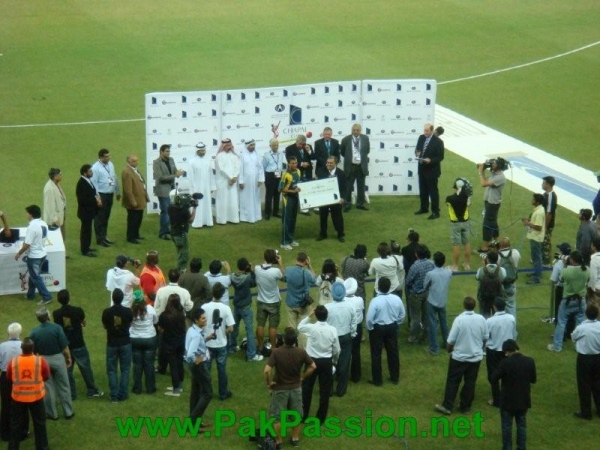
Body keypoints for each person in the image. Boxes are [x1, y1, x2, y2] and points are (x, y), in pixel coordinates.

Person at [435, 296, 488, 415]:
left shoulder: (459, 320)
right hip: (475, 358)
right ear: (475, 306)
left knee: (453, 381)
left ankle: (448, 406)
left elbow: (450, 341)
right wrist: (479, 348)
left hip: (459, 357)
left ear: (464, 305)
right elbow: (485, 338)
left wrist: (449, 350)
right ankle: (465, 406)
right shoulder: (481, 319)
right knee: (470, 382)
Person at [263, 327, 315, 448]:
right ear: (295, 340)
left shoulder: (276, 352)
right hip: (296, 388)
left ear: (284, 339)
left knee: (277, 417)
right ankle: (295, 439)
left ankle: (279, 441)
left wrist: (269, 383)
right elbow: (313, 366)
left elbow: (266, 371)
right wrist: (302, 377)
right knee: (296, 415)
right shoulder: (301, 352)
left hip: (280, 388)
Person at [52, 290, 103, 400]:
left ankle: (71, 394)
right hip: (78, 344)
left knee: (68, 370)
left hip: (65, 346)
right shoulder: (78, 310)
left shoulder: (56, 313)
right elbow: (84, 323)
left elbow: (58, 328)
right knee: (86, 368)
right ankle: (92, 390)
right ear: (69, 298)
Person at [490, 339, 536, 450]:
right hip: (523, 399)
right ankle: (521, 447)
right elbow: (533, 380)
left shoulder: (505, 363)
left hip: (507, 401)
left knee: (507, 427)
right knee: (521, 425)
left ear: (507, 351)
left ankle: (507, 448)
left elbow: (493, 379)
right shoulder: (529, 361)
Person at [29, 307, 73, 420]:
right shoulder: (57, 328)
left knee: (48, 388)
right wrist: (68, 358)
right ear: (48, 316)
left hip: (43, 360)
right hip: (58, 358)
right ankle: (68, 412)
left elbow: (33, 351)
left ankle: (52, 414)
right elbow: (64, 347)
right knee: (64, 385)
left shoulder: (34, 331)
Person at [298, 306, 340, 424]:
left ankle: (303, 415)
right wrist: (334, 361)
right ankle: (321, 418)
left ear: (316, 315)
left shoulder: (312, 328)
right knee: (324, 391)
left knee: (306, 389)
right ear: (327, 316)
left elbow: (300, 326)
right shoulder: (332, 330)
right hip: (326, 362)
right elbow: (337, 349)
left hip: (311, 361)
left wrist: (308, 316)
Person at [6, 338, 50, 450]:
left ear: (21, 349)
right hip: (36, 397)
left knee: (15, 425)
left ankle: (13, 447)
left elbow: (9, 377)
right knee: (40, 424)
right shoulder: (40, 361)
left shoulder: (13, 361)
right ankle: (42, 447)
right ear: (33, 349)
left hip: (18, 397)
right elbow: (46, 376)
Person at [366, 277, 405, 386]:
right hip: (392, 327)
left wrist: (370, 328)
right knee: (393, 352)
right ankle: (395, 377)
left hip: (378, 328)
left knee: (376, 354)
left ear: (378, 287)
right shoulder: (396, 299)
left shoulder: (375, 301)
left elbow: (369, 318)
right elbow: (402, 314)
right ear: (389, 287)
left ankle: (377, 380)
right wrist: (397, 323)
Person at [548, 250, 590, 352]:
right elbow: (587, 279)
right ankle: (580, 346)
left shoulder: (566, 271)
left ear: (573, 260)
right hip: (581, 300)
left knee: (561, 323)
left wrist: (565, 264)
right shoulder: (587, 270)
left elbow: (561, 280)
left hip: (568, 300)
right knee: (581, 323)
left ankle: (557, 346)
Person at [202, 283, 235, 401]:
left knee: (206, 369)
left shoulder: (205, 307)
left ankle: (205, 392)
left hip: (208, 343)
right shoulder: (226, 308)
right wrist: (223, 332)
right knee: (222, 369)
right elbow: (231, 328)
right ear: (223, 294)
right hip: (221, 343)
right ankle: (223, 393)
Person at [14, 205, 52, 305]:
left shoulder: (32, 226)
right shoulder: (43, 223)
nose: (26, 215)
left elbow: (27, 244)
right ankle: (30, 294)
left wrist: (19, 253)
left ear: (31, 214)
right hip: (42, 253)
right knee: (33, 275)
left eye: (27, 213)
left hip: (34, 256)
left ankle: (46, 296)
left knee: (35, 277)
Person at [325, 282, 358, 397]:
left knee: (329, 362)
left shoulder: (327, 307)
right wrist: (352, 334)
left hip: (331, 338)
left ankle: (328, 390)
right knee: (344, 363)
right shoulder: (351, 306)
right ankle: (341, 390)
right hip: (345, 337)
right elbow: (354, 323)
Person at [102, 288, 133, 403]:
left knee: (111, 370)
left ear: (112, 298)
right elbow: (130, 324)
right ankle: (123, 394)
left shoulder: (106, 312)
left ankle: (114, 396)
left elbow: (105, 326)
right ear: (122, 298)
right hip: (125, 342)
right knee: (125, 369)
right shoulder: (128, 311)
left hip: (112, 343)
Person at [185, 307, 215, 429]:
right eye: (203, 318)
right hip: (199, 366)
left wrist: (207, 338)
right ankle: (192, 422)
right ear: (197, 320)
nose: (205, 319)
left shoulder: (192, 330)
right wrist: (197, 360)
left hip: (193, 366)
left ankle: (195, 422)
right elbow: (190, 354)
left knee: (195, 393)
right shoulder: (197, 335)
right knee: (208, 393)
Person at [229, 257, 263, 361]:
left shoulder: (232, 277)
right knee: (249, 331)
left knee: (234, 327)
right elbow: (254, 282)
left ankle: (232, 347)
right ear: (246, 267)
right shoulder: (247, 278)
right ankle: (251, 355)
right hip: (246, 308)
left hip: (236, 306)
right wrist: (252, 270)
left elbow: (230, 276)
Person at [485, 298, 517, 408]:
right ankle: (506, 396)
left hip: (493, 351)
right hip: (507, 350)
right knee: (507, 374)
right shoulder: (511, 318)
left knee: (493, 376)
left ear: (494, 307)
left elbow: (486, 335)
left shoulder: (490, 321)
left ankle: (496, 400)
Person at [571, 303, 600, 420]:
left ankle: (586, 412)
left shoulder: (581, 328)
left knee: (584, 385)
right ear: (597, 314)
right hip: (598, 357)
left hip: (584, 359)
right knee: (598, 384)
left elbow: (573, 337)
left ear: (586, 314)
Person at [284, 251, 317, 349]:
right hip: (303, 305)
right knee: (303, 328)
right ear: (306, 261)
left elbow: (284, 278)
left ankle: (290, 349)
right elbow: (315, 279)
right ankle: (302, 350)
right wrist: (310, 266)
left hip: (290, 304)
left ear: (296, 259)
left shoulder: (288, 270)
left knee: (291, 329)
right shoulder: (306, 273)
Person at [153, 144, 185, 240]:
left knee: (171, 211)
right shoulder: (156, 162)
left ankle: (170, 230)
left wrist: (178, 172)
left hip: (172, 190)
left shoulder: (171, 160)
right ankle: (163, 233)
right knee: (165, 212)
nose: (168, 153)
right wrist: (175, 175)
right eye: (166, 151)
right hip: (163, 191)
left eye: (169, 151)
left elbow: (174, 171)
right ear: (161, 152)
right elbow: (161, 178)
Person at [423, 252, 452, 355]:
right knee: (444, 323)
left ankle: (434, 348)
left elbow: (424, 286)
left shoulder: (430, 274)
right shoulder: (449, 272)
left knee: (432, 325)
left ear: (434, 262)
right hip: (442, 301)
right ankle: (446, 343)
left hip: (432, 301)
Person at [414, 123, 445, 219]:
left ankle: (436, 212)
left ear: (432, 131)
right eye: (424, 130)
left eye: (427, 131)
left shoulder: (438, 142)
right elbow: (418, 148)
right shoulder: (421, 137)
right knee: (423, 190)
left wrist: (430, 160)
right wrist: (417, 153)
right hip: (422, 168)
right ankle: (424, 208)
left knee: (433, 191)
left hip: (432, 170)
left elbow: (440, 157)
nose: (425, 132)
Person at [130, 290, 158, 395]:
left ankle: (137, 388)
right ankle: (150, 388)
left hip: (135, 339)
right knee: (149, 364)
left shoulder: (131, 310)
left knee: (137, 365)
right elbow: (155, 321)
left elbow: (129, 324)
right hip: (149, 338)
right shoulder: (150, 309)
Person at [0, 323, 25, 442]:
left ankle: (4, 433)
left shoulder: (2, 346)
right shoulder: (24, 345)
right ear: (20, 333)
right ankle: (22, 432)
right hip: (21, 378)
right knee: (21, 404)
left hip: (5, 377)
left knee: (5, 404)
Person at [158, 295, 187, 396]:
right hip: (181, 341)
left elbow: (160, 329)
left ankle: (176, 389)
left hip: (170, 342)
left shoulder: (164, 315)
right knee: (179, 363)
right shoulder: (181, 314)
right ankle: (179, 385)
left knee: (173, 365)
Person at [477, 158, 508, 252]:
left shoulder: (500, 177)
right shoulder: (495, 174)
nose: (492, 165)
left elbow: (483, 183)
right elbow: (487, 181)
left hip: (493, 203)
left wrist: (480, 172)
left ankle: (485, 247)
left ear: (499, 166)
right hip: (490, 201)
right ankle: (495, 242)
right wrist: (483, 169)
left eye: (494, 164)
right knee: (493, 222)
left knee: (487, 224)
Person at [255, 249, 284, 352]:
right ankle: (273, 348)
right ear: (275, 259)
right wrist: (280, 263)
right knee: (273, 326)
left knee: (260, 325)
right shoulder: (276, 271)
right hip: (274, 302)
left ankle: (260, 346)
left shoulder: (257, 268)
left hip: (261, 301)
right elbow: (283, 277)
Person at [405, 245, 435, 343]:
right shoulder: (431, 264)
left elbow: (408, 281)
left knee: (415, 317)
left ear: (417, 254)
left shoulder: (415, 266)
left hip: (416, 294)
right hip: (428, 293)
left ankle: (414, 337)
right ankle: (426, 336)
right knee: (426, 316)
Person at [91, 148, 121, 247]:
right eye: (106, 156)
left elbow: (113, 177)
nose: (108, 158)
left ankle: (104, 236)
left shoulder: (110, 164)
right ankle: (100, 239)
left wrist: (117, 191)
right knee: (100, 217)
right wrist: (97, 198)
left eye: (109, 156)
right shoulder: (95, 168)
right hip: (102, 194)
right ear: (100, 157)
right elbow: (94, 184)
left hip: (110, 194)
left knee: (106, 216)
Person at [340, 123, 370, 212]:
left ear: (360, 131)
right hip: (350, 166)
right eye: (354, 130)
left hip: (361, 166)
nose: (356, 131)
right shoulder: (345, 139)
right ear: (351, 130)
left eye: (357, 130)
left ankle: (360, 204)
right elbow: (342, 152)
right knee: (348, 187)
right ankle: (347, 204)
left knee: (361, 187)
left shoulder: (365, 138)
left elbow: (367, 151)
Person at [317, 156, 346, 242]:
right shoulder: (321, 171)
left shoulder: (341, 173)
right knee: (323, 216)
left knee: (337, 217)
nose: (328, 164)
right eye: (328, 162)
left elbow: (344, 188)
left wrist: (343, 198)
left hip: (336, 200)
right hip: (324, 199)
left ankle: (340, 234)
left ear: (335, 163)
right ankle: (323, 234)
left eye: (331, 163)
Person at [121, 154, 149, 244]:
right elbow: (128, 190)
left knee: (138, 218)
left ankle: (136, 234)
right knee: (133, 219)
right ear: (128, 161)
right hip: (134, 201)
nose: (136, 162)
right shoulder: (127, 172)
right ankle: (131, 237)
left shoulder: (134, 170)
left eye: (136, 161)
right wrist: (133, 201)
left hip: (139, 199)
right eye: (133, 161)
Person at [446, 177, 472, 271]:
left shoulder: (449, 198)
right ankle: (467, 264)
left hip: (455, 224)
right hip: (465, 222)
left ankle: (455, 266)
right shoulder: (466, 196)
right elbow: (468, 204)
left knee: (456, 244)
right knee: (467, 243)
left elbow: (451, 204)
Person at [188, 142, 216, 228]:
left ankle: (208, 222)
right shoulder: (191, 162)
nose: (203, 152)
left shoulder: (207, 160)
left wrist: (212, 186)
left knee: (206, 203)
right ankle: (197, 223)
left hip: (206, 187)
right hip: (196, 187)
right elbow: (191, 177)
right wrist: (193, 190)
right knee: (198, 204)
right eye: (201, 151)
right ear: (197, 151)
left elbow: (211, 174)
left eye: (204, 150)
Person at [168, 189, 196, 272]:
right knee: (184, 253)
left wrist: (189, 204)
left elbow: (182, 205)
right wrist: (194, 208)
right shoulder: (183, 210)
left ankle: (179, 268)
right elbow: (190, 220)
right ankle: (181, 271)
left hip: (173, 232)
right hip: (181, 234)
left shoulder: (170, 207)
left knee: (179, 251)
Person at [75, 164, 100, 257]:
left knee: (88, 230)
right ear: (85, 173)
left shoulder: (87, 180)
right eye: (90, 171)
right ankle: (84, 250)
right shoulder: (81, 184)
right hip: (85, 212)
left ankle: (87, 247)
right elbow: (82, 200)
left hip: (89, 211)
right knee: (85, 231)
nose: (92, 172)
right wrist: (95, 200)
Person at [214, 138, 240, 225]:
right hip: (223, 181)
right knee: (223, 200)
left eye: (230, 145)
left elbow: (237, 167)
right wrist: (230, 177)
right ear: (223, 146)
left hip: (232, 181)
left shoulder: (234, 156)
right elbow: (221, 169)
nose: (229, 147)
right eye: (227, 145)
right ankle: (222, 220)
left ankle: (233, 218)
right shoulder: (219, 156)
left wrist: (234, 177)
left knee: (232, 200)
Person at [521, 193, 545, 285]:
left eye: (533, 199)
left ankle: (537, 277)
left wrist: (527, 223)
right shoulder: (539, 210)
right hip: (535, 236)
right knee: (536, 257)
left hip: (536, 237)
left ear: (537, 202)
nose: (532, 200)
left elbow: (538, 227)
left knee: (536, 257)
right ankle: (536, 272)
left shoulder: (539, 212)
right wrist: (529, 221)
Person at [343, 277, 364, 383]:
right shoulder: (359, 300)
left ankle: (342, 374)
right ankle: (356, 376)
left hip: (345, 328)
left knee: (343, 351)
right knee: (356, 351)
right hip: (357, 327)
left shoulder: (342, 301)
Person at [239, 139, 264, 223]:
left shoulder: (257, 154)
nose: (253, 147)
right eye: (251, 145)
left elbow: (261, 167)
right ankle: (246, 217)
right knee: (246, 198)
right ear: (247, 146)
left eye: (254, 145)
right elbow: (240, 169)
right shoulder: (242, 155)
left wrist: (261, 178)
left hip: (255, 181)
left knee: (256, 198)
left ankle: (256, 216)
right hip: (246, 181)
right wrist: (241, 181)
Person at [279, 156, 301, 250]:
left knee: (293, 220)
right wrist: (293, 191)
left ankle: (291, 239)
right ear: (288, 164)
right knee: (287, 221)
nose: (294, 165)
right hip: (287, 199)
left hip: (295, 199)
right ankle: (284, 242)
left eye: (295, 163)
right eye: (292, 163)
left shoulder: (298, 171)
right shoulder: (285, 174)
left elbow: (298, 184)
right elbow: (280, 189)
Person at [476, 251, 506, 319]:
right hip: (497, 297)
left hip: (484, 298)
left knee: (484, 317)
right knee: (498, 317)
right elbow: (503, 278)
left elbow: (477, 277)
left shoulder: (481, 270)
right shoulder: (502, 270)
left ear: (487, 259)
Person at [262, 138, 285, 220]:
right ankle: (267, 213)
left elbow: (282, 164)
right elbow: (263, 167)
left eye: (277, 145)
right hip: (270, 175)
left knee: (277, 194)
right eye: (274, 145)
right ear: (270, 146)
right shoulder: (266, 155)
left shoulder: (281, 154)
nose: (276, 147)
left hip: (279, 174)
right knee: (269, 194)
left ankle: (276, 212)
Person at [497, 237, 521, 318]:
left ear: (500, 245)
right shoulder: (516, 253)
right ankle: (512, 328)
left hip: (500, 284)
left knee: (499, 308)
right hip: (512, 283)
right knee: (511, 306)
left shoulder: (497, 255)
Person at [42, 168, 67, 242]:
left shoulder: (56, 184)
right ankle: (60, 253)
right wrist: (55, 219)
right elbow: (49, 206)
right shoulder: (49, 188)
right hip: (54, 221)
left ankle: (63, 253)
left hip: (60, 216)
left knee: (62, 236)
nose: (61, 176)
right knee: (57, 239)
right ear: (55, 176)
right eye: (60, 174)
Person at [541, 176, 557, 266]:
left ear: (548, 184)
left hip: (547, 224)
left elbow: (549, 213)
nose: (542, 184)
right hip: (543, 222)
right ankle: (541, 258)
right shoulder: (546, 194)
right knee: (541, 241)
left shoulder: (551, 196)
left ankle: (546, 262)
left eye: (543, 183)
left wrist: (545, 226)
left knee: (545, 241)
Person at [588, 237, 600, 306]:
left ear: (594, 247)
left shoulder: (594, 260)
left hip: (597, 290)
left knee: (595, 311)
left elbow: (593, 277)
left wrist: (590, 290)